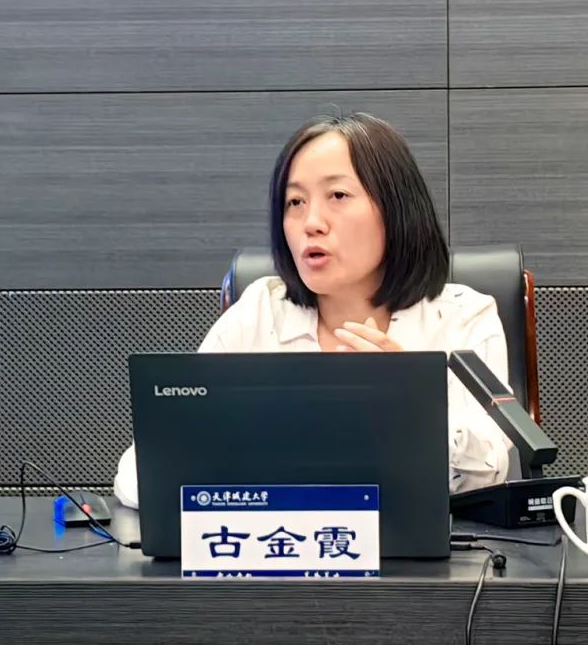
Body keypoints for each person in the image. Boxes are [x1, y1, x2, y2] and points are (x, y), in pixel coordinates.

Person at [114, 112, 517, 508]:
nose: (311, 222)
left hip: (421, 549)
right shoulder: (259, 312)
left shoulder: (463, 317)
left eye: (337, 196)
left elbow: (489, 473)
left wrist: (410, 408)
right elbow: (139, 476)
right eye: (295, 202)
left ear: (397, 208)